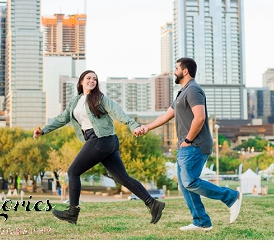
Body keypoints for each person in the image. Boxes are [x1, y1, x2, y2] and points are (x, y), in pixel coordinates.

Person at [35, 70, 165, 225]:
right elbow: (62, 118)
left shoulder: (99, 98)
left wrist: (133, 125)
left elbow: (116, 111)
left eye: (95, 79)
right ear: (81, 81)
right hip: (105, 141)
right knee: (122, 178)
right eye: (89, 78)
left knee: (73, 172)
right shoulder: (75, 102)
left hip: (101, 139)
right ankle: (153, 204)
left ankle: (72, 212)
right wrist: (43, 130)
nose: (92, 81)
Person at [135, 58, 243, 231]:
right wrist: (146, 127)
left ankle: (231, 197)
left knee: (190, 181)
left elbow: (199, 117)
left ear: (185, 71)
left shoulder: (193, 90)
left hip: (195, 144)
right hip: (186, 145)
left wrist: (188, 140)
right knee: (184, 185)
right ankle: (201, 222)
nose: (174, 71)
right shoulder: (182, 92)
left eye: (176, 68)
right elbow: (165, 116)